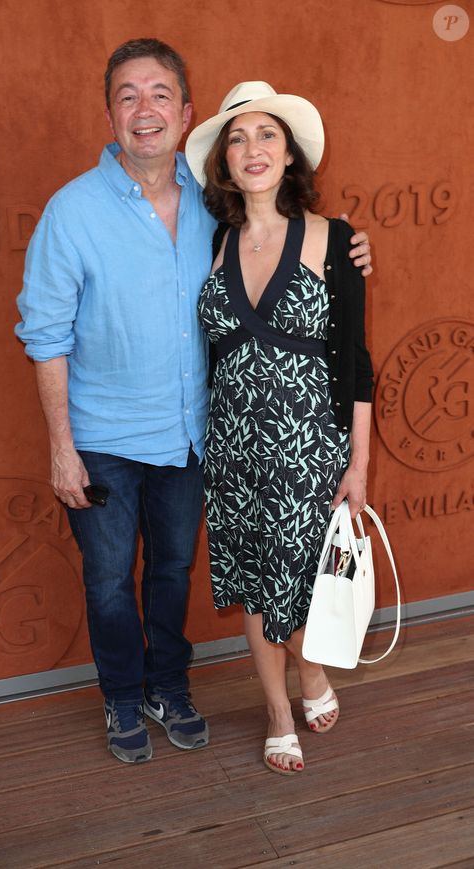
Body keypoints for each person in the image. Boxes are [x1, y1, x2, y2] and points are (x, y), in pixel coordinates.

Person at [15, 42, 372, 766]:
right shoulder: (72, 211)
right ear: (110, 111)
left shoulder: (215, 207)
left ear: (184, 112)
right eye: (127, 95)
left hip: (194, 439)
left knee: (177, 573)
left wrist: (350, 252)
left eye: (159, 95)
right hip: (108, 438)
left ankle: (169, 687)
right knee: (111, 581)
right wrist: (61, 447)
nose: (144, 110)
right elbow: (44, 333)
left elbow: (298, 257)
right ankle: (123, 695)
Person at [185, 81, 373, 775]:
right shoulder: (212, 241)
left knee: (294, 581)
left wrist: (358, 466)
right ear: (224, 162)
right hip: (233, 449)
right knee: (256, 580)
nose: (251, 148)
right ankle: (278, 709)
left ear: (290, 154)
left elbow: (356, 362)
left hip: (308, 450)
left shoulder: (338, 240)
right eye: (237, 138)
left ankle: (313, 672)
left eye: (266, 134)